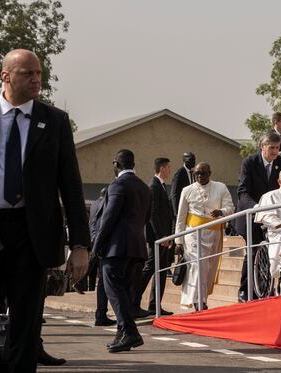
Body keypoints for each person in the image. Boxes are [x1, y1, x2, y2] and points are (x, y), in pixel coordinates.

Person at [0, 49, 89, 371]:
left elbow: (72, 186)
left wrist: (80, 245)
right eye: (28, 73)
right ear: (6, 75)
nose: (37, 79)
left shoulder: (54, 120)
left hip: (30, 235)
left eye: (39, 73)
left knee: (26, 330)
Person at [93, 149, 151, 353]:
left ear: (116, 165)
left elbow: (108, 218)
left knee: (113, 289)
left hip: (116, 249)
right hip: (137, 248)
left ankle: (130, 331)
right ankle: (122, 334)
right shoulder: (144, 187)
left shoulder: (117, 185)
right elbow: (146, 218)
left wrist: (97, 246)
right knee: (124, 292)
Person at [235, 131, 281, 302]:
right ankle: (245, 291)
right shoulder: (250, 163)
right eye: (271, 148)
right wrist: (256, 207)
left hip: (273, 217)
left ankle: (266, 289)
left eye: (277, 148)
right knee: (253, 251)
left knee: (273, 251)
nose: (274, 151)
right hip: (252, 216)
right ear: (262, 147)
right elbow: (242, 191)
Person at [174, 161, 234, 311]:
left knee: (208, 268)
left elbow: (231, 207)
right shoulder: (187, 190)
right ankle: (199, 303)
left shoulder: (221, 187)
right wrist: (178, 241)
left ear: (210, 173)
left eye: (203, 173)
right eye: (197, 174)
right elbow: (181, 218)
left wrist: (222, 212)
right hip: (193, 233)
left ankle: (202, 299)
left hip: (214, 233)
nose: (200, 176)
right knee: (197, 266)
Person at [137, 157, 174, 316]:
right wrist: (162, 236)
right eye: (168, 167)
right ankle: (133, 301)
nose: (170, 170)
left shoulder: (161, 186)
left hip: (164, 236)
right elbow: (153, 213)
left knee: (162, 270)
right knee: (150, 268)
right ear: (163, 168)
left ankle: (154, 305)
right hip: (156, 237)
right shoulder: (153, 186)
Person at [89, 188, 114, 327]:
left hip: (95, 241)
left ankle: (101, 313)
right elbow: (102, 224)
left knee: (101, 280)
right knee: (105, 281)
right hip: (103, 244)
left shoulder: (94, 204)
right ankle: (101, 314)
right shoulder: (105, 203)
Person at [169, 152, 196, 217]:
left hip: (190, 208)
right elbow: (174, 193)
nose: (193, 162)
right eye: (190, 160)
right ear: (184, 161)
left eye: (194, 160)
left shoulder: (193, 173)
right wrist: (177, 213)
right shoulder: (180, 173)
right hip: (181, 208)